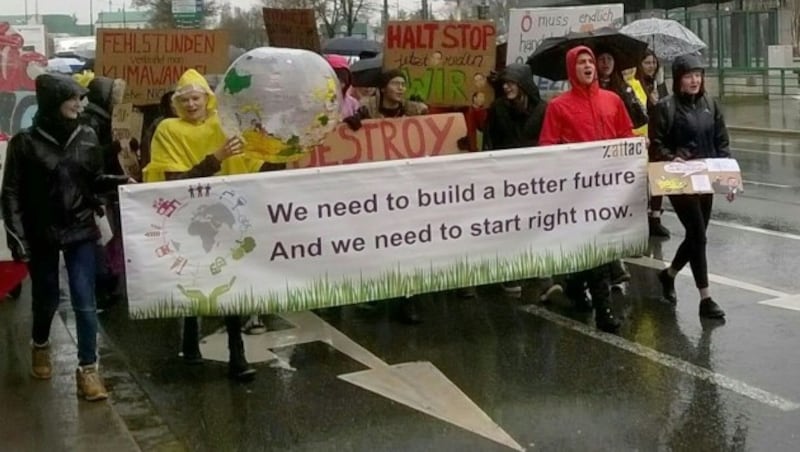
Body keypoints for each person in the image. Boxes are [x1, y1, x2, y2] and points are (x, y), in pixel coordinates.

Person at [1, 73, 131, 400]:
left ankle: (88, 370)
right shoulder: (24, 143)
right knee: (46, 299)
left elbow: (93, 180)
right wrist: (17, 237)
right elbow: (11, 192)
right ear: (53, 102)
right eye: (72, 98)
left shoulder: (87, 136)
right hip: (41, 232)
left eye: (80, 98)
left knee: (85, 300)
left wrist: (118, 182)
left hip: (81, 230)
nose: (79, 104)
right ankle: (40, 344)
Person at [144, 69, 278, 380]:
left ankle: (237, 354)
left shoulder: (224, 125)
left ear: (208, 99)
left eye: (196, 97)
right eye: (185, 99)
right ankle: (190, 340)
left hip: (226, 217)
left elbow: (253, 164)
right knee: (192, 280)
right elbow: (174, 180)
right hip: (187, 218)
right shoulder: (167, 130)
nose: (191, 104)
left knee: (230, 283)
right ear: (177, 102)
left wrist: (282, 146)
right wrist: (214, 159)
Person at [539, 45, 635, 333]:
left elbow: (625, 135)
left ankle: (574, 286)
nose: (587, 66)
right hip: (577, 192)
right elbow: (546, 147)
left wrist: (635, 146)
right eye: (580, 62)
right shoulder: (558, 106)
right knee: (596, 250)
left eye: (590, 61)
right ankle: (604, 311)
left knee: (598, 248)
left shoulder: (613, 100)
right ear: (572, 69)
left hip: (608, 190)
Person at [649, 54, 731, 319]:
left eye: (698, 75)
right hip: (678, 179)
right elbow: (656, 144)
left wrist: (728, 179)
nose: (695, 80)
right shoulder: (666, 107)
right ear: (678, 79)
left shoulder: (711, 104)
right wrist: (672, 157)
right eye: (688, 75)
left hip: (705, 178)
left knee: (696, 236)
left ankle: (668, 274)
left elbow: (722, 143)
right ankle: (705, 298)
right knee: (699, 234)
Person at [482, 63, 563, 301]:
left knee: (537, 227)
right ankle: (510, 273)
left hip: (535, 179)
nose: (506, 87)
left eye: (511, 82)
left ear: (523, 84)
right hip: (506, 179)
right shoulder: (498, 109)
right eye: (504, 83)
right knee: (511, 228)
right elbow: (489, 142)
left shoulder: (543, 109)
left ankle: (543, 277)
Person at [637, 50, 671, 238]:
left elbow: (667, 106)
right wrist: (650, 103)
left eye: (653, 62)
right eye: (647, 62)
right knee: (642, 180)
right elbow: (636, 113)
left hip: (659, 136)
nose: (651, 66)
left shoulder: (659, 84)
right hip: (644, 137)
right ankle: (642, 217)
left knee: (658, 179)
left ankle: (656, 218)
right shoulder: (636, 86)